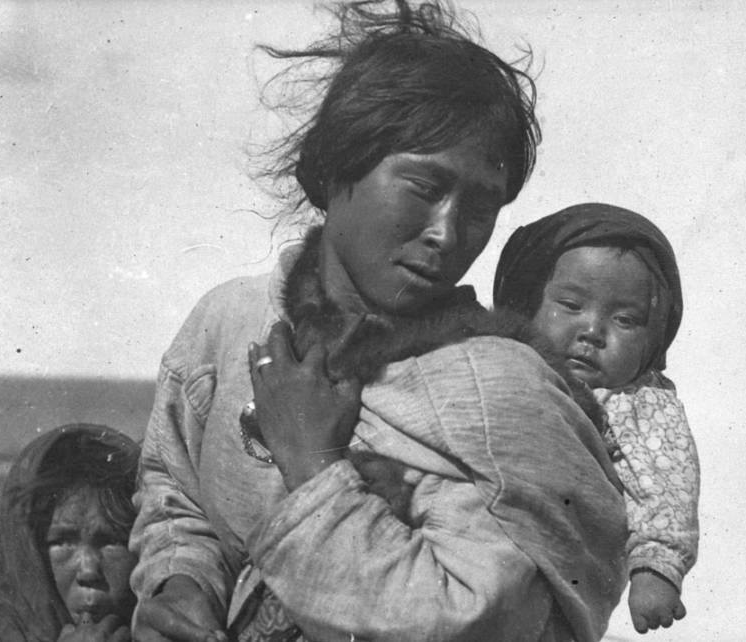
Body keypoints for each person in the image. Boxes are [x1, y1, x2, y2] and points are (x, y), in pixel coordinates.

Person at [130, 2, 627, 641]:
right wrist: (182, 579)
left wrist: (313, 466)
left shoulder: (502, 390)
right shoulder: (231, 324)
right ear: (335, 168)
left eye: (480, 206)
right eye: (424, 187)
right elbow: (174, 488)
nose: (448, 234)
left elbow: (479, 620)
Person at [493, 202, 700, 634]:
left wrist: (656, 571)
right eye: (570, 304)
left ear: (654, 337)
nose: (592, 330)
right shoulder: (504, 363)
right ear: (526, 304)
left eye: (625, 319)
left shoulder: (637, 402)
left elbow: (665, 488)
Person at [0, 424, 140, 642]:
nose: (88, 571)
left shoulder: (172, 623)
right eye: (63, 542)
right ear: (30, 551)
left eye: (112, 541)